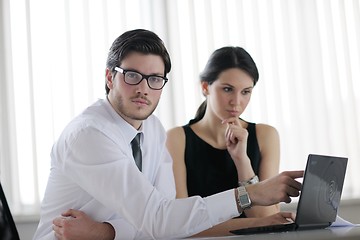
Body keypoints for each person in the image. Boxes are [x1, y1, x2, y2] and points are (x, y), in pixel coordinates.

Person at [33, 29, 303, 240]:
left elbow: (165, 219)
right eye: (131, 76)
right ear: (108, 77)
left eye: (154, 79)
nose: (143, 89)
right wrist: (249, 194)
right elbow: (159, 220)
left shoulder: (152, 129)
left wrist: (105, 232)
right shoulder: (89, 136)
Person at [166, 46, 284, 237]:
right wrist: (257, 223)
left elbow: (266, 218)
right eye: (228, 89)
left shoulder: (266, 135)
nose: (236, 101)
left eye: (246, 92)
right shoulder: (176, 139)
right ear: (205, 87)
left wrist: (241, 160)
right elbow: (181, 225)